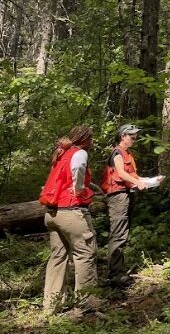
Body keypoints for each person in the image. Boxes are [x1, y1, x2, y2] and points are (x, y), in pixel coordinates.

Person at [40, 125, 101, 315]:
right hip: (71, 212)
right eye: (90, 139)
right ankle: (86, 304)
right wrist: (80, 189)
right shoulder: (79, 153)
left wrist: (89, 184)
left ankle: (51, 306)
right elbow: (78, 169)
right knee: (85, 254)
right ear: (85, 139)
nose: (92, 142)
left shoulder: (62, 154)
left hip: (52, 213)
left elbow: (64, 176)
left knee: (57, 257)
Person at [101, 124, 157, 286]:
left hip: (126, 195)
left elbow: (133, 176)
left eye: (135, 136)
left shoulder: (128, 154)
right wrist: (137, 183)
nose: (134, 139)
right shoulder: (117, 153)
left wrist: (149, 181)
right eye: (131, 136)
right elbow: (121, 173)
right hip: (118, 197)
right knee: (118, 233)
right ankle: (114, 275)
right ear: (122, 136)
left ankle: (117, 271)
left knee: (122, 232)